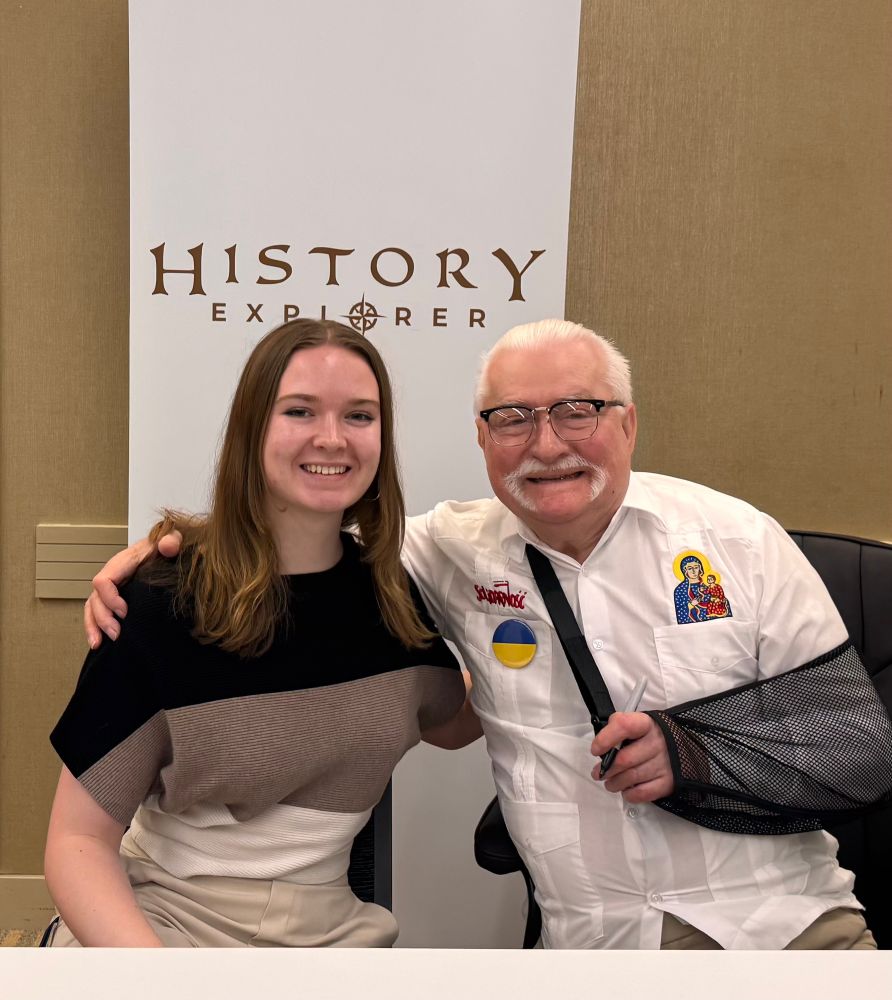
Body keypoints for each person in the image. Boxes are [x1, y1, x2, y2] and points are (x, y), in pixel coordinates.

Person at [85, 318, 892, 950]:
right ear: (481, 437)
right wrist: (171, 549)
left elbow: (859, 746)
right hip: (595, 950)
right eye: (513, 419)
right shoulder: (449, 549)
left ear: (630, 423)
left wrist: (698, 755)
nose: (546, 445)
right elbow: (303, 526)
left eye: (580, 410)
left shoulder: (738, 541)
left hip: (785, 931)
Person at [45, 318, 476, 948]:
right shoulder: (161, 601)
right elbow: (77, 842)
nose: (333, 439)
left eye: (360, 416)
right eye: (300, 411)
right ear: (254, 429)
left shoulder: (389, 597)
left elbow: (449, 720)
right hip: (163, 920)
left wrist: (520, 664)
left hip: (331, 931)